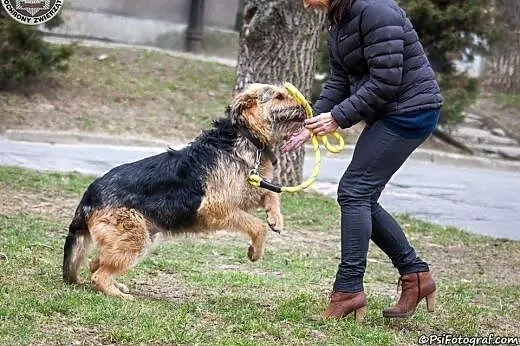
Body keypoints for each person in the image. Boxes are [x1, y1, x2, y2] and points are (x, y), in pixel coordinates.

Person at [282, 0, 443, 320]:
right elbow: (339, 80)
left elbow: (387, 80)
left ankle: (349, 289)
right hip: (390, 112)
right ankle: (416, 276)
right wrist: (312, 123)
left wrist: (338, 119)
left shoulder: (376, 10)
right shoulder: (340, 18)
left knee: (354, 191)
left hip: (412, 112)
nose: (302, 1)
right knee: (360, 194)